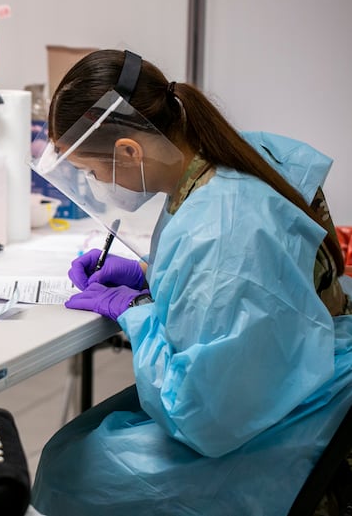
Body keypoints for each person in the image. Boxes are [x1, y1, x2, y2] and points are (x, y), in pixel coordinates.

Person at [29, 49, 352, 515]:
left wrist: (135, 311)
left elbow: (204, 416)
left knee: (71, 468)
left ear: (127, 151)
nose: (96, 185)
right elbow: (256, 290)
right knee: (81, 441)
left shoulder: (219, 226)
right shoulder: (222, 162)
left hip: (287, 420)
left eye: (90, 173)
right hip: (293, 373)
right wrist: (148, 279)